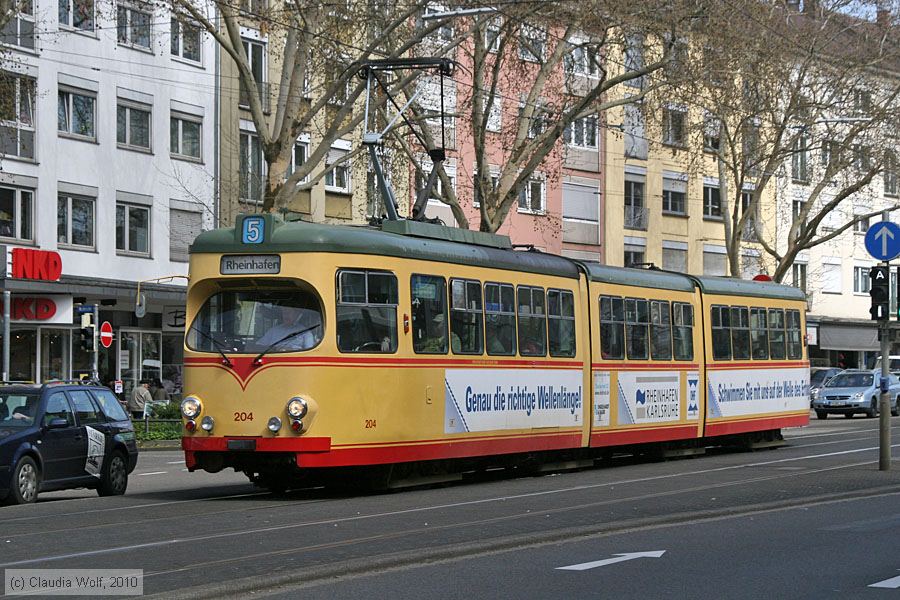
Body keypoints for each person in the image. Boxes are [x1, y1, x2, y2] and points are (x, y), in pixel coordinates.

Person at [257, 305, 322, 351]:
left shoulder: (305, 333)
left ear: (296, 314)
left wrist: (291, 350)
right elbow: (259, 346)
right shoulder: (273, 330)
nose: (285, 316)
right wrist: (274, 349)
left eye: (288, 313)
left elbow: (309, 352)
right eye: (284, 313)